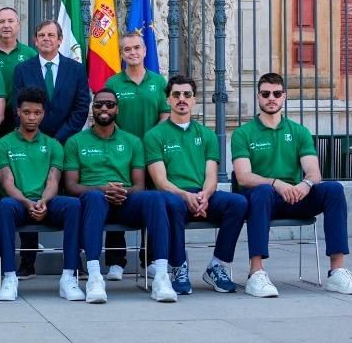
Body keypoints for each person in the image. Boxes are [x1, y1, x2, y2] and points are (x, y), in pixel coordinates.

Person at [231, 72, 352, 297]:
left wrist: (305, 184)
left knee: (333, 189)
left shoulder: (299, 131)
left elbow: (314, 172)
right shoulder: (243, 133)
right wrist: (276, 183)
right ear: (258, 97)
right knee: (262, 191)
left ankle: (337, 271)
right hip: (263, 199)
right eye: (265, 94)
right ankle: (256, 273)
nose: (271, 98)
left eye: (276, 94)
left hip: (295, 196)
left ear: (284, 97)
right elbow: (243, 176)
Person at [64, 87, 182, 303]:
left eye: (109, 104)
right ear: (92, 108)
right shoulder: (76, 141)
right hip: (94, 203)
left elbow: (139, 184)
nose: (104, 108)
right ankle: (95, 276)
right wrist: (102, 190)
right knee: (94, 198)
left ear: (117, 109)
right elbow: (71, 185)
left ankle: (162, 277)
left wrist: (121, 192)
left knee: (156, 198)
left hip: (126, 201)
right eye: (98, 104)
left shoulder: (133, 141)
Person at [143, 72, 245, 293]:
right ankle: (179, 267)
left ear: (194, 100)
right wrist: (186, 196)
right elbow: (160, 182)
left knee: (238, 203)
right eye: (176, 94)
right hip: (174, 196)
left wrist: (205, 195)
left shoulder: (207, 135)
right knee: (173, 204)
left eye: (187, 95)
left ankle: (216, 266)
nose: (182, 99)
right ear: (168, 99)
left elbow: (212, 175)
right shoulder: (154, 135)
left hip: (202, 196)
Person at [10, 20, 91, 278]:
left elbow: (81, 107)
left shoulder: (76, 70)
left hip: (65, 144)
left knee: (70, 201)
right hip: (32, 144)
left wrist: (58, 139)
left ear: (59, 40)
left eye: (51, 35)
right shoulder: (23, 69)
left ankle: (74, 258)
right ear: (35, 40)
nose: (46, 39)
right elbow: (19, 106)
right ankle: (28, 260)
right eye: (41, 35)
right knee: (31, 193)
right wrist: (38, 137)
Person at [0, 86, 81, 301]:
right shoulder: (2, 144)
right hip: (17, 204)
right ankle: (9, 277)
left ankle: (69, 276)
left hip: (46, 203)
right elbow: (7, 181)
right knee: (3, 205)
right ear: (17, 112)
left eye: (37, 113)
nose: (32, 118)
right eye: (26, 112)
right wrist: (26, 202)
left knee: (73, 205)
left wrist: (43, 201)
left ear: (43, 114)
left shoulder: (53, 145)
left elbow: (53, 180)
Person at [100, 28, 167, 277]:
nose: (133, 52)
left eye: (137, 48)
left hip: (153, 154)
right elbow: (107, 114)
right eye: (127, 49)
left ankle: (149, 259)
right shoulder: (113, 83)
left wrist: (149, 141)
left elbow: (165, 115)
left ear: (145, 50)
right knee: (116, 197)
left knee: (152, 203)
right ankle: (116, 261)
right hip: (122, 152)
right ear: (121, 54)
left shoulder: (159, 82)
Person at [0, 7, 37, 110]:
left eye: (10, 21)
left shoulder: (30, 54)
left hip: (21, 114)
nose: (6, 25)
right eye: (1, 22)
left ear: (18, 24)